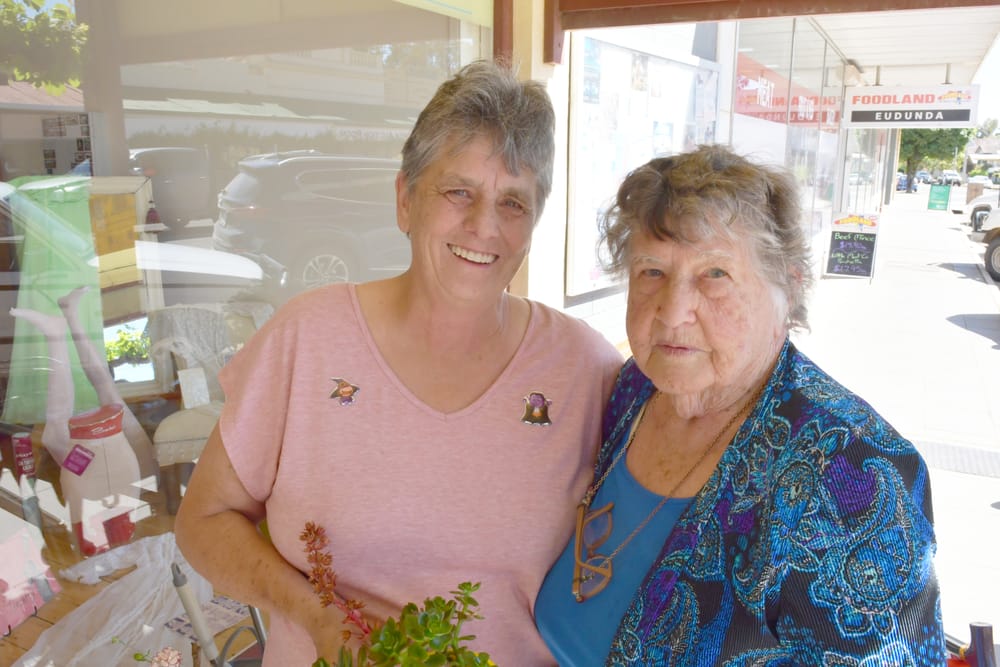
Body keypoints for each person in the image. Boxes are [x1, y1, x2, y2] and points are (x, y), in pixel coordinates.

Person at [174, 59, 623, 666]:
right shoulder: (307, 340)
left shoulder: (584, 370)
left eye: (513, 203)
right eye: (458, 191)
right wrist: (313, 614)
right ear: (405, 200)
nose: (484, 226)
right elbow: (203, 520)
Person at [535, 145, 944, 665]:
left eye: (715, 274)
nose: (673, 312)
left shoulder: (856, 472)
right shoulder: (633, 391)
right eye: (652, 271)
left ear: (787, 288)